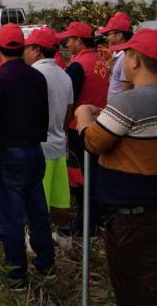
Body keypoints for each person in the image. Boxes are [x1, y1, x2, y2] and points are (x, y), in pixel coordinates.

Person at [75, 28, 157, 306]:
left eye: (125, 55)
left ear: (135, 60)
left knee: (134, 291)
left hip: (134, 220)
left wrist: (83, 115)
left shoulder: (130, 101)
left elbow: (92, 142)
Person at [0, 24, 55, 288]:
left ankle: (16, 276)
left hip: (9, 154)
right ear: (22, 47)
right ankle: (46, 264)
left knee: (10, 217)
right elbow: (44, 115)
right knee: (37, 211)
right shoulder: (37, 77)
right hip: (34, 151)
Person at [23, 27, 74, 250]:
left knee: (36, 199)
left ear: (37, 49)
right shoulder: (65, 76)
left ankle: (36, 243)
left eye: (27, 48)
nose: (24, 52)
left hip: (38, 147)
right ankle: (64, 237)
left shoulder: (32, 75)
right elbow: (69, 113)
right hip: (58, 144)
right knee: (60, 198)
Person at [58, 21, 109, 234]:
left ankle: (85, 222)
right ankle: (97, 217)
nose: (67, 44)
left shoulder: (78, 66)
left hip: (78, 127)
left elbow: (69, 100)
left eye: (69, 40)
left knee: (80, 177)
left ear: (79, 41)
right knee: (95, 174)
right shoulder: (100, 61)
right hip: (101, 125)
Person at [97, 12, 133, 103]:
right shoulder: (118, 55)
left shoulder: (126, 56)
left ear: (119, 36)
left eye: (108, 34)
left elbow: (126, 91)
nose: (107, 38)